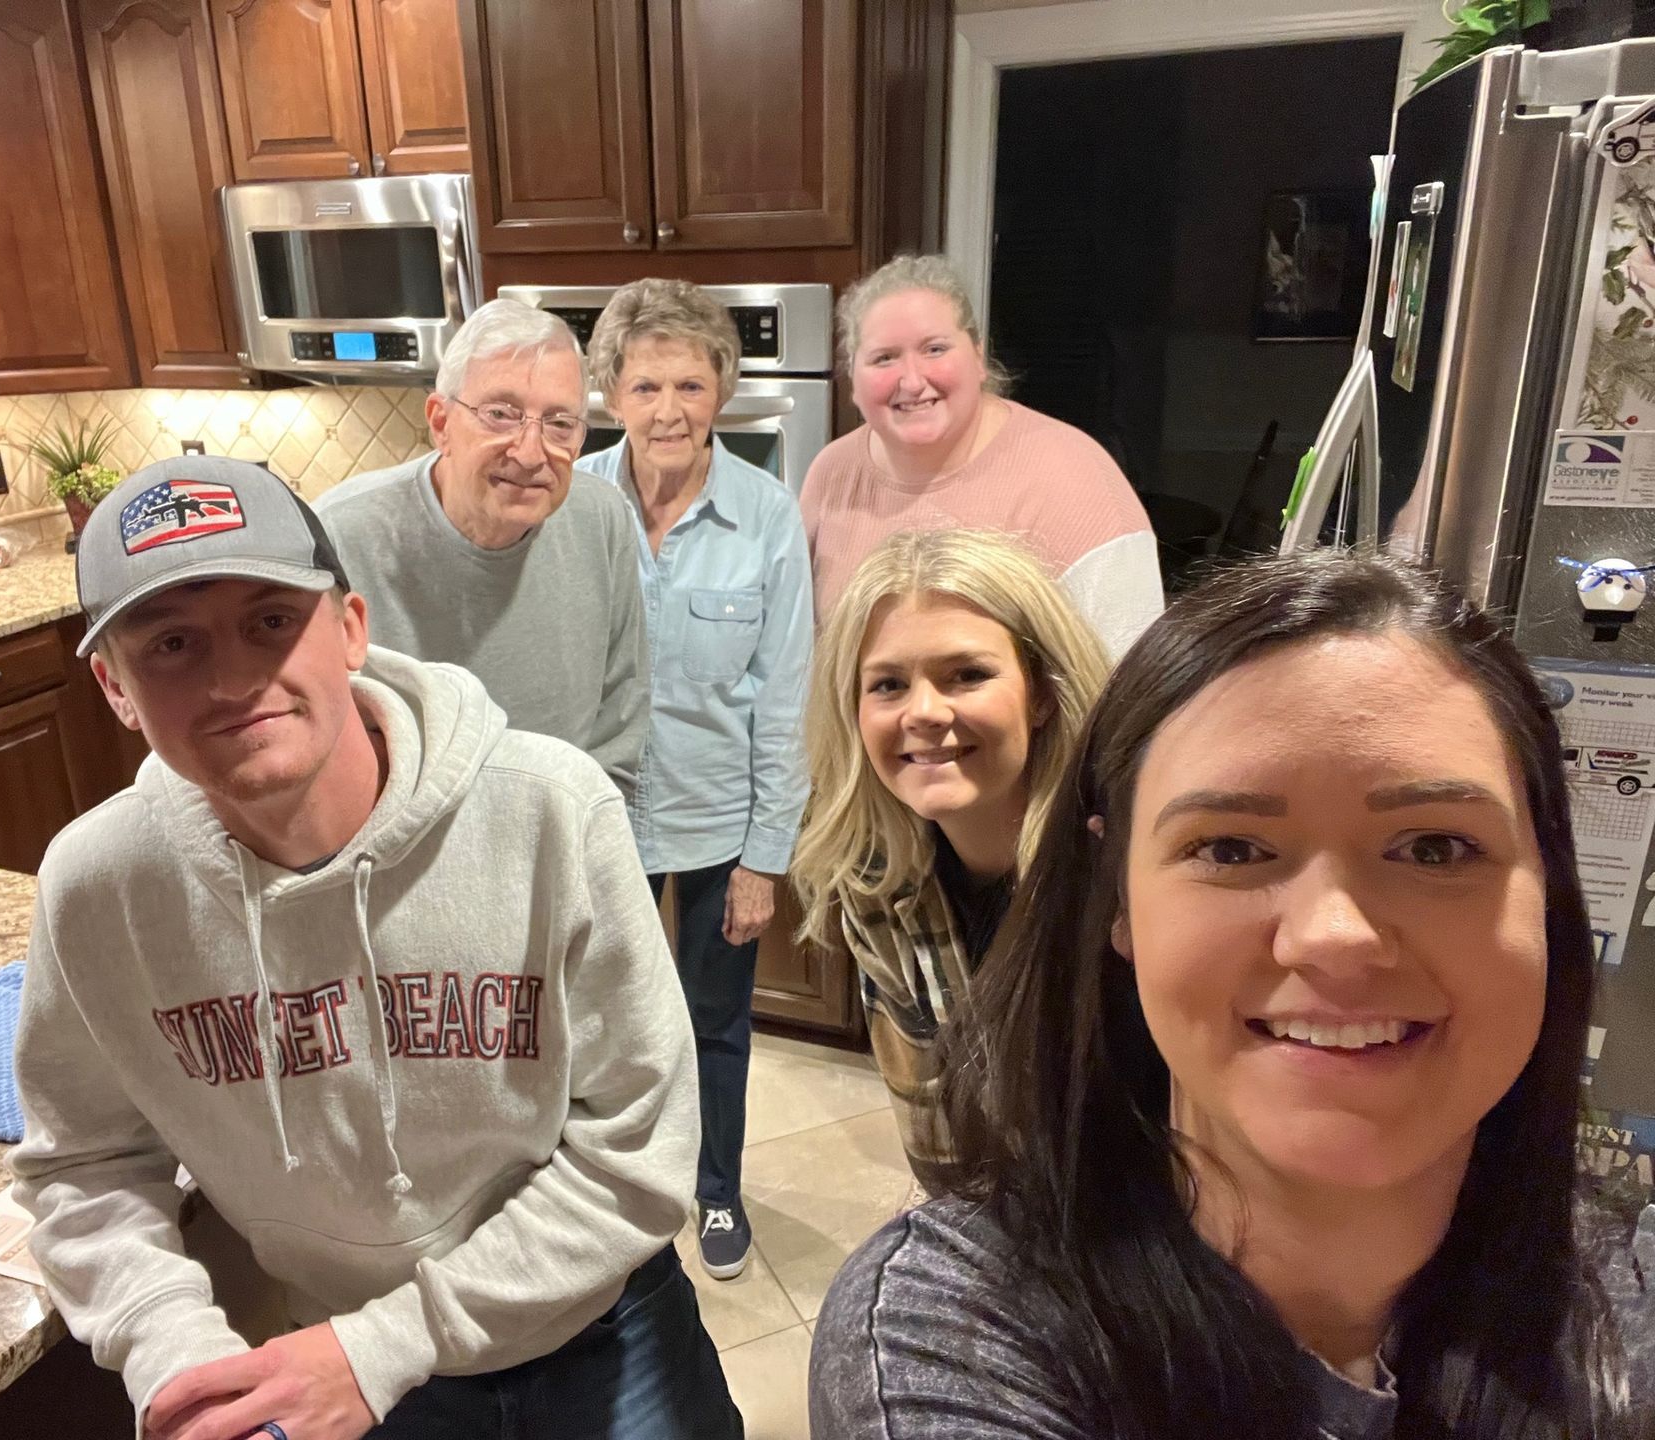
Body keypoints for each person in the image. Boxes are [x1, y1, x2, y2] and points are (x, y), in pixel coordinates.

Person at [811, 550, 1655, 1438]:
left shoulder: (1626, 1303)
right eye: (1233, 850)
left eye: (1435, 848)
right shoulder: (955, 1336)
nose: (1334, 935)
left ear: (1553, 899)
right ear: (1114, 901)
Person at [10, 456, 740, 1440]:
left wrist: (393, 1341)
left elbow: (640, 1152)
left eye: (271, 620)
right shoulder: (97, 891)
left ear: (349, 627)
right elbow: (86, 1163)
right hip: (344, 1361)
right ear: (114, 687)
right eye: (172, 643)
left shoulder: (550, 816)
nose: (232, 680)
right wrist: (170, 1343)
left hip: (601, 1332)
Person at [575, 279, 814, 1282]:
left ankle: (716, 1191)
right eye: (644, 385)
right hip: (596, 823)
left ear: (721, 388)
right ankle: (617, 1197)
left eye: (689, 382)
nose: (668, 407)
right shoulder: (572, 503)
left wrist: (767, 858)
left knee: (714, 1023)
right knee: (603, 1026)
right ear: (611, 395)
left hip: (721, 825)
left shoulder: (766, 516)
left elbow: (786, 696)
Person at [788, 528, 1108, 1187]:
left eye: (967, 675)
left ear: (1042, 693)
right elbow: (942, 1152)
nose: (924, 712)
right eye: (888, 685)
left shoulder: (1120, 873)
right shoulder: (873, 889)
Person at [315, 299, 649, 798]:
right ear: (441, 422)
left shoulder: (603, 519)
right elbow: (322, 735)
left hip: (562, 840)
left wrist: (589, 840)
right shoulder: (338, 536)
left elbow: (621, 720)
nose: (531, 452)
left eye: (559, 423)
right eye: (500, 414)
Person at [799, 253, 1163, 661]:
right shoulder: (831, 475)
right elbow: (803, 656)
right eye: (884, 358)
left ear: (977, 357)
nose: (913, 380)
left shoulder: (1076, 479)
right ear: (853, 382)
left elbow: (1130, 687)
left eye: (934, 349)